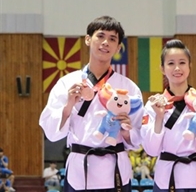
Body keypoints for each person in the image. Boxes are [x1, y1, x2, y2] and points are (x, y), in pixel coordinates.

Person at [39, 16, 144, 192]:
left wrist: (126, 131)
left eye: (112, 39)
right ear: (88, 39)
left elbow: (138, 138)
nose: (105, 42)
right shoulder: (67, 83)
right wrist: (68, 105)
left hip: (116, 168)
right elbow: (51, 131)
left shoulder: (128, 88)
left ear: (118, 48)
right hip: (80, 168)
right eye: (100, 36)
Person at [141, 39, 196, 192]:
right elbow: (151, 150)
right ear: (162, 68)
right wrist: (159, 117)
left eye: (182, 62)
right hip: (167, 179)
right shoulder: (153, 105)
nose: (177, 68)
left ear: (190, 66)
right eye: (170, 63)